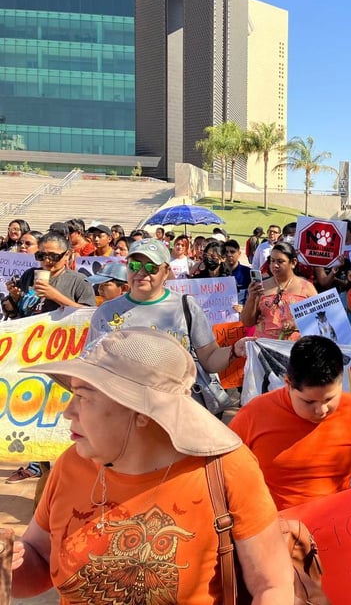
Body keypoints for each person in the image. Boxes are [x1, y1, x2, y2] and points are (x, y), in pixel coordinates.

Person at [11, 328, 294, 603]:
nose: (67, 411)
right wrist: (9, 560)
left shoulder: (225, 470)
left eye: (83, 396)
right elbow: (38, 556)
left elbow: (272, 585)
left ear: (141, 411)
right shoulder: (72, 464)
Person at [229, 334, 351, 516]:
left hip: (340, 530)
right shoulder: (254, 415)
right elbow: (224, 469)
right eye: (309, 402)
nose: (321, 410)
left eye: (329, 399)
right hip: (275, 533)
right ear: (288, 383)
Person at [3, 230, 97, 485]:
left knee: (56, 412)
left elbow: (90, 315)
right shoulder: (27, 277)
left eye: (53, 257)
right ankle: (36, 464)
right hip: (29, 355)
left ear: (67, 255)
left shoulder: (77, 282)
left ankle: (67, 467)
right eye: (42, 255)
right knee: (31, 409)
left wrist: (56, 297)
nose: (46, 261)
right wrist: (13, 299)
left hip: (60, 358)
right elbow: (16, 315)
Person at [86, 239, 248, 376]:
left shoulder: (186, 307)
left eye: (151, 267)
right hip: (122, 407)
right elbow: (91, 365)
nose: (141, 272)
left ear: (166, 272)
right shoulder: (105, 312)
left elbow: (209, 358)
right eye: (134, 266)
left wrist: (234, 350)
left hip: (172, 407)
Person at [241, 242, 317, 340]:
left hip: (296, 348)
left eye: (280, 261)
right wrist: (252, 298)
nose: (274, 265)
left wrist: (295, 324)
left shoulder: (306, 287)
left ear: (293, 262)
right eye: (272, 261)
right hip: (265, 346)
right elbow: (247, 322)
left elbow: (318, 317)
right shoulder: (261, 287)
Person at [222, 238, 252, 305]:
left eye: (232, 252)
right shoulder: (218, 273)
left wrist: (244, 308)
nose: (229, 255)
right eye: (226, 252)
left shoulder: (247, 273)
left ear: (239, 253)